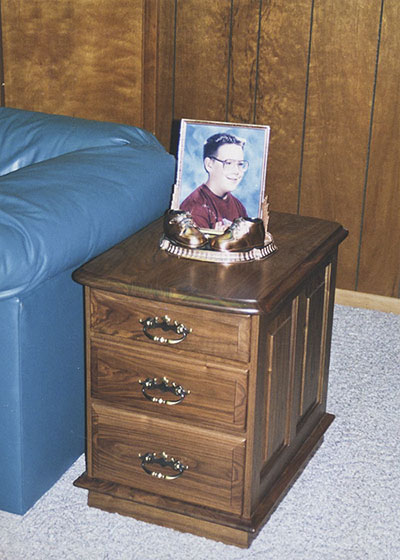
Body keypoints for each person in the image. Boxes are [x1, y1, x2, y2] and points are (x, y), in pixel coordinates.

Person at [180, 132, 249, 230]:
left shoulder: (238, 206)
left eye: (240, 164)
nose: (237, 171)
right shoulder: (195, 208)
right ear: (209, 164)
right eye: (228, 163)